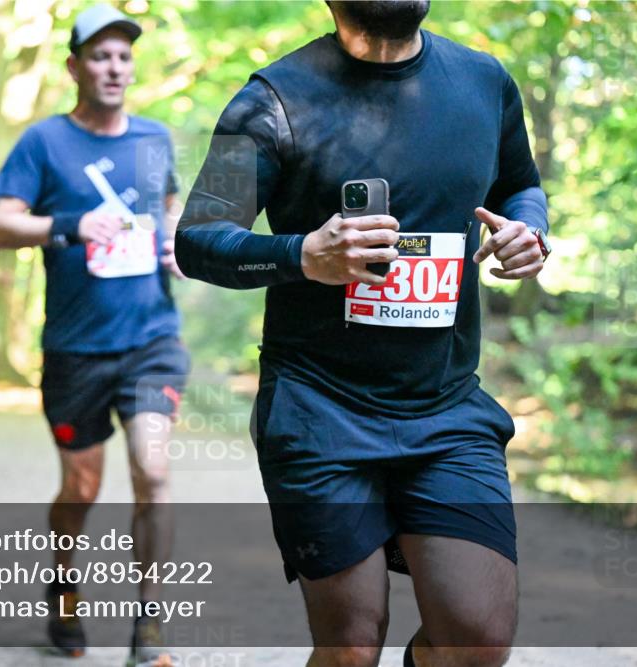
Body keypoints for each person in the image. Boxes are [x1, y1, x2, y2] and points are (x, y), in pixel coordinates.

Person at [175, 2, 551, 666]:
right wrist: (302, 256)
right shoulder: (269, 102)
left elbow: (521, 185)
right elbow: (198, 239)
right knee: (349, 646)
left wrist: (527, 228)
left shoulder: (486, 82)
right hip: (319, 410)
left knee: (477, 642)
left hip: (447, 409)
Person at [0, 5, 188, 666]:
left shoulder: (155, 138)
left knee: (153, 471)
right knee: (81, 488)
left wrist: (176, 246)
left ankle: (148, 622)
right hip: (76, 346)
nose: (114, 67)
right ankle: (65, 587)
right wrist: (69, 227)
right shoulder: (43, 143)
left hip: (152, 336)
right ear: (75, 66)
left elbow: (171, 208)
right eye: (100, 56)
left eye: (124, 57)